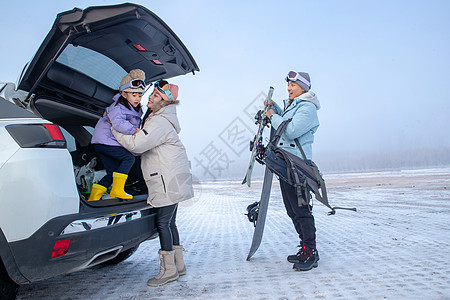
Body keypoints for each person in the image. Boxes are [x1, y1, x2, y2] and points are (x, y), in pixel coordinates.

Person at [112, 80, 194, 286]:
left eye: (155, 96)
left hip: (166, 180)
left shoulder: (158, 122)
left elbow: (138, 145)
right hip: (172, 179)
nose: (150, 97)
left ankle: (168, 271)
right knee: (170, 222)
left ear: (165, 101)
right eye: (151, 94)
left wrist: (113, 129)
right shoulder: (164, 119)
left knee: (162, 223)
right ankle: (178, 266)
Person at [265, 70, 321, 271]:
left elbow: (290, 130)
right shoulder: (294, 106)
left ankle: (311, 253)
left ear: (303, 88)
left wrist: (272, 116)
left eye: (293, 85)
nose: (288, 88)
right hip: (286, 163)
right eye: (288, 84)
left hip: (299, 166)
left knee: (302, 210)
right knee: (292, 210)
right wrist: (276, 109)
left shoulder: (307, 108)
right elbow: (286, 120)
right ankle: (305, 248)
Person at [88, 69, 145, 201]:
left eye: (140, 95)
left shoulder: (131, 108)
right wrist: (134, 131)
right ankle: (117, 189)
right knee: (129, 159)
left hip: (102, 143)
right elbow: (118, 124)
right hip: (106, 141)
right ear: (124, 94)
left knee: (112, 173)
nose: (137, 98)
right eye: (134, 95)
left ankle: (93, 198)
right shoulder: (118, 107)